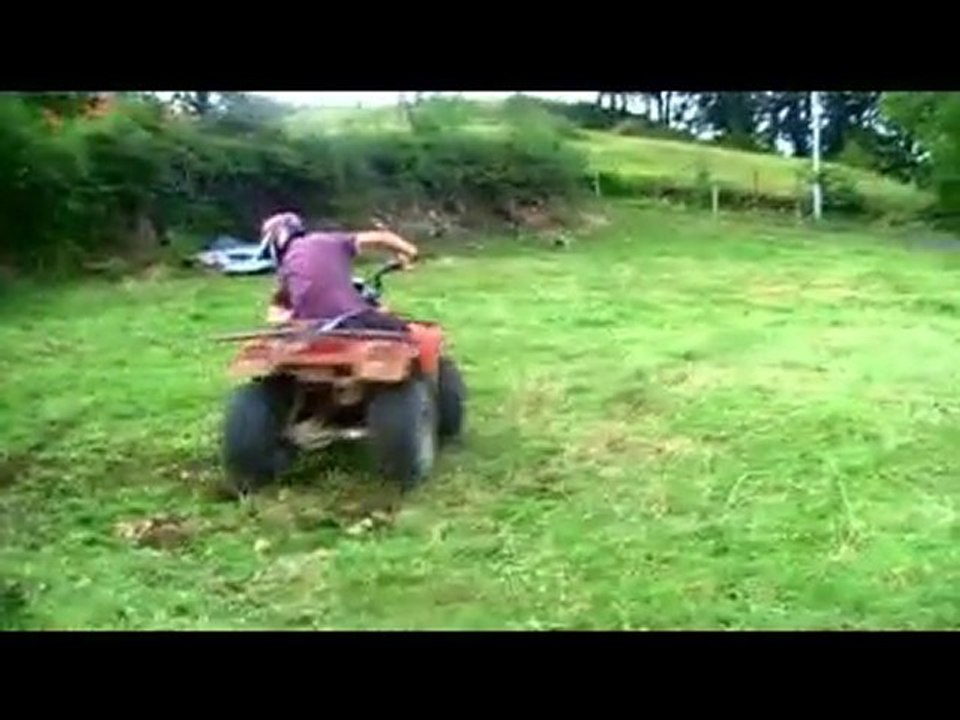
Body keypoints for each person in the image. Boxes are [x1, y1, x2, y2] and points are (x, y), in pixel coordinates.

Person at [258, 212, 418, 332]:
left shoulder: (286, 267)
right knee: (410, 335)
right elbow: (382, 238)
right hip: (350, 318)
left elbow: (276, 312)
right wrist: (410, 252)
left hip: (312, 330)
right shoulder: (328, 240)